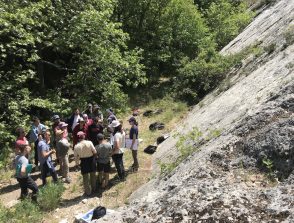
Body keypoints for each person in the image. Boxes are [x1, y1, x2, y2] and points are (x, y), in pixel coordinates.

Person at [74, 131, 97, 196]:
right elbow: (94, 152)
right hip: (91, 159)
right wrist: (95, 158)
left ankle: (88, 192)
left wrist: (77, 164)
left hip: (83, 161)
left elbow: (76, 157)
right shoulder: (89, 142)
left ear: (78, 138)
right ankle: (94, 189)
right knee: (93, 175)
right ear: (84, 136)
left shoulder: (76, 146)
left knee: (85, 178)